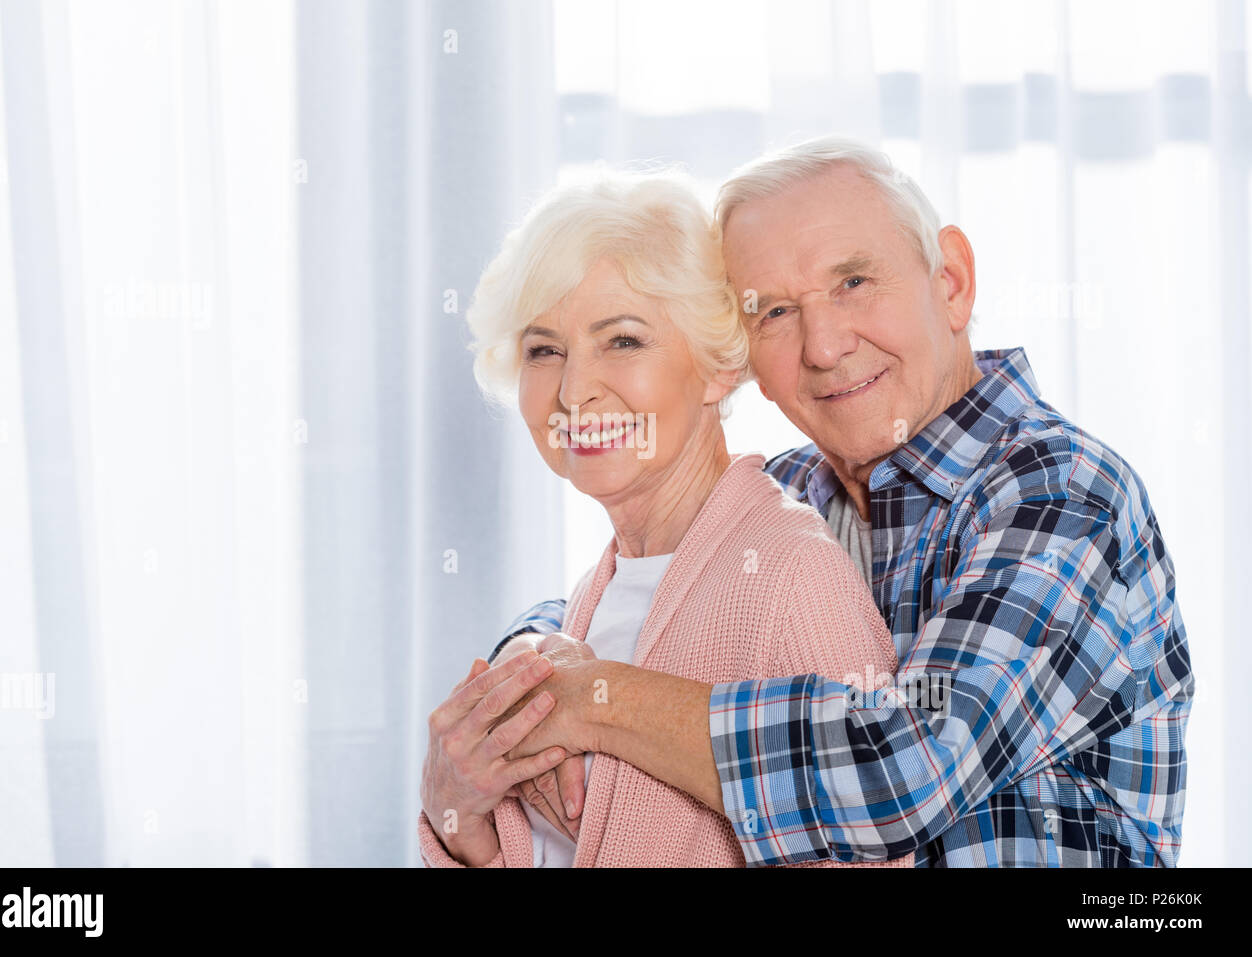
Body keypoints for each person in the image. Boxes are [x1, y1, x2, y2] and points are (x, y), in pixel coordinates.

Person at [484, 137, 1196, 867]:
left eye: (853, 282)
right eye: (775, 312)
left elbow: (901, 771)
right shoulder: (783, 499)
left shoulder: (1060, 491)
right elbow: (634, 602)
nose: (823, 344)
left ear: (951, 281)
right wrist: (530, 659)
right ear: (741, 356)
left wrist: (594, 697)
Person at [417, 168, 912, 867]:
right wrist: (460, 818)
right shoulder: (594, 595)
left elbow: (875, 827)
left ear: (716, 365)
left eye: (622, 340)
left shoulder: (790, 571)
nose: (575, 391)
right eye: (543, 349)